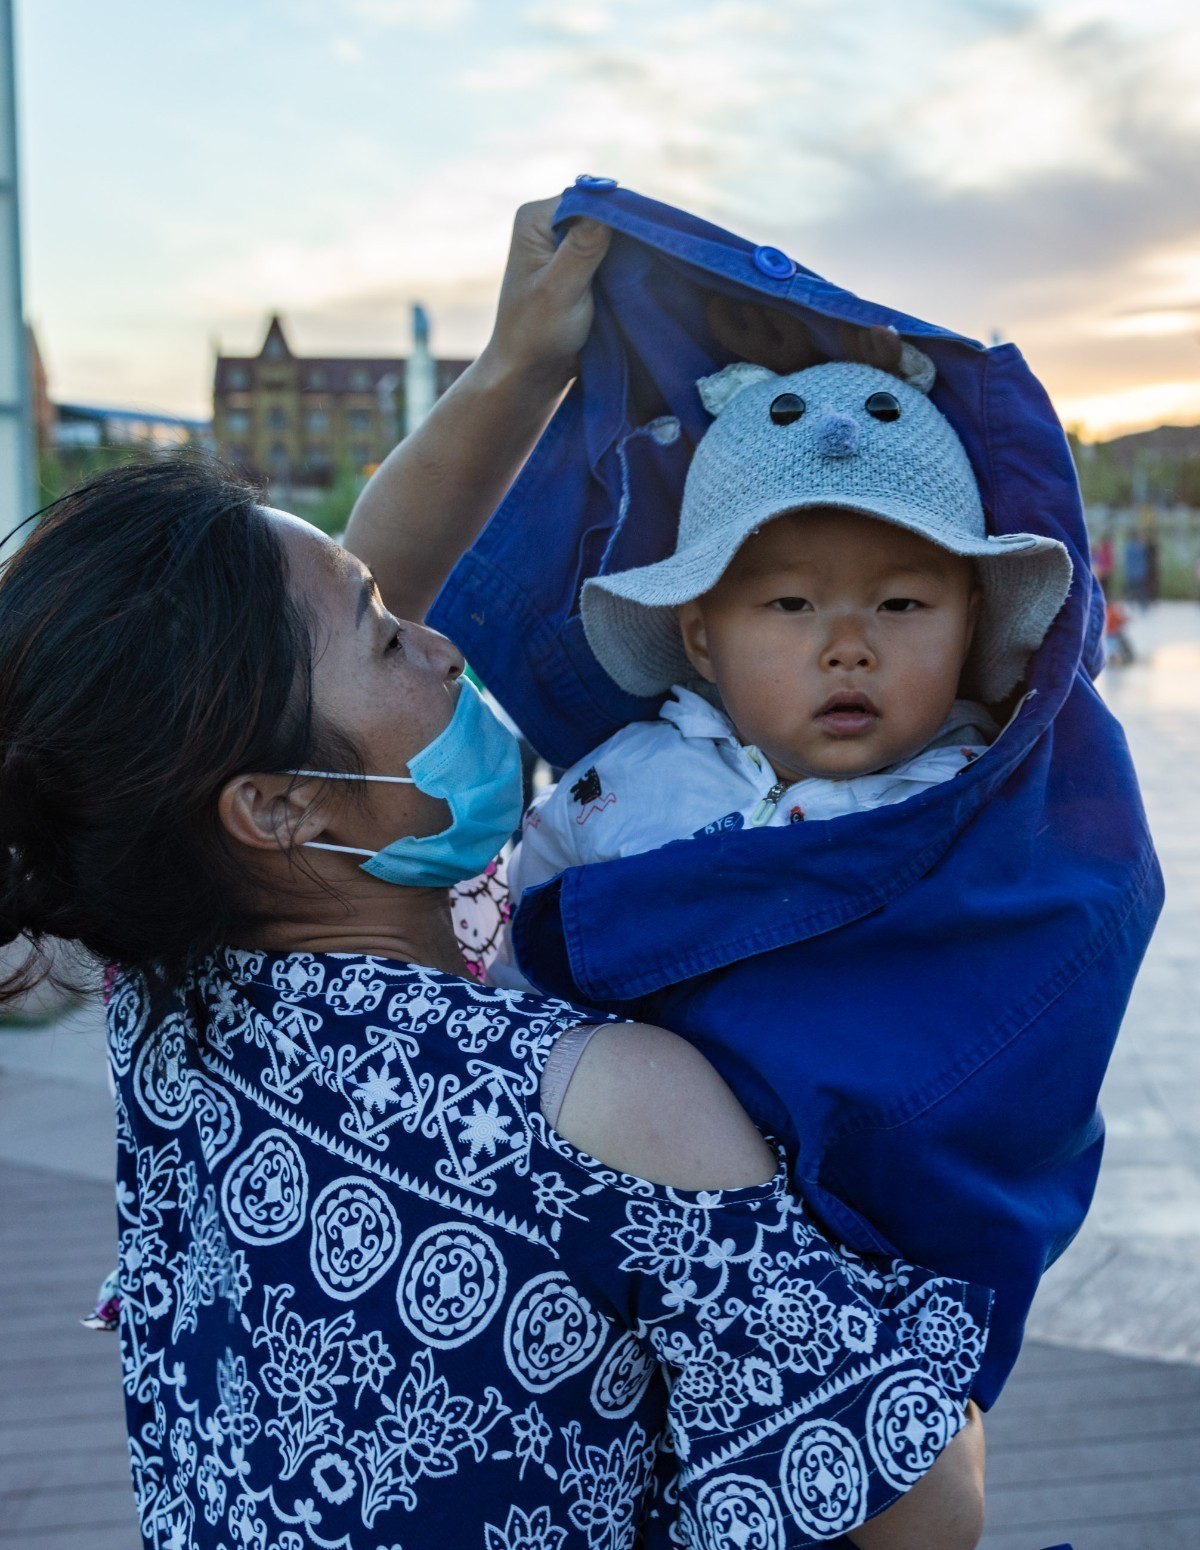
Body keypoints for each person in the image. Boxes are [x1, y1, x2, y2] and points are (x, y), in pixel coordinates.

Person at [0, 212, 989, 1550]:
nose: (444, 648)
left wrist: (519, 364)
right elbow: (924, 1511)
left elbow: (297, 654)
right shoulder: (606, 1103)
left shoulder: (168, 982)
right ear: (276, 804)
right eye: (389, 637)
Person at [485, 344, 1071, 914]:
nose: (849, 650)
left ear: (967, 630)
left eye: (899, 605)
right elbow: (531, 953)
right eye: (792, 604)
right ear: (701, 638)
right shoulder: (617, 790)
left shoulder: (1006, 812)